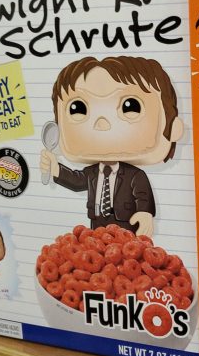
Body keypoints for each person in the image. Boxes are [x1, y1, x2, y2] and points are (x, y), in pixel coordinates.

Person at [40, 56, 184, 237]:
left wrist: (145, 213)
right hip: (96, 225)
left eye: (131, 107)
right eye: (78, 108)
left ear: (173, 128)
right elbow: (77, 181)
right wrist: (56, 169)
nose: (102, 124)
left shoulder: (135, 175)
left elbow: (143, 195)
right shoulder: (92, 173)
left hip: (126, 226)